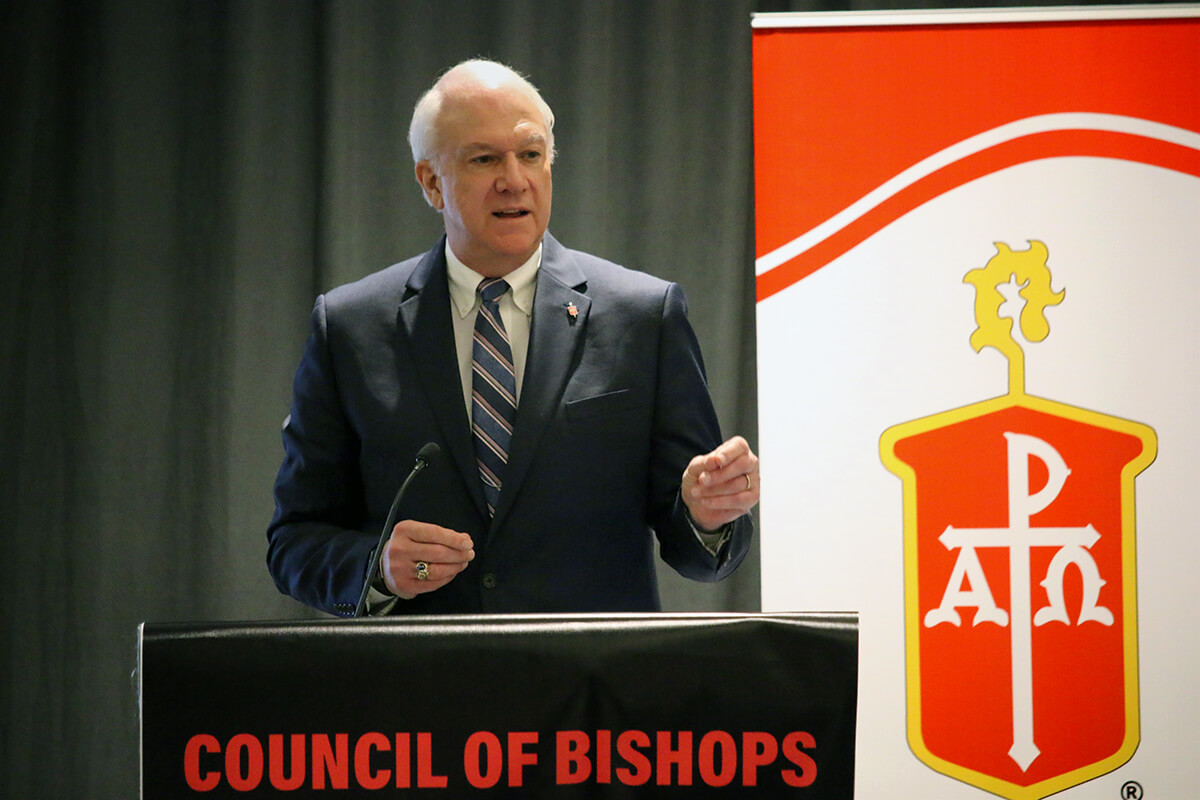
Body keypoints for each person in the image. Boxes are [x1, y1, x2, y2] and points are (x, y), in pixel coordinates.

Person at [267, 59, 759, 616]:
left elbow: (699, 548)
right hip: (420, 686)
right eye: (484, 159)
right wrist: (378, 569)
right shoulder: (351, 326)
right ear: (431, 182)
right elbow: (294, 540)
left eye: (530, 154)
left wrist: (707, 515)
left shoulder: (643, 315)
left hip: (593, 686)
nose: (514, 179)